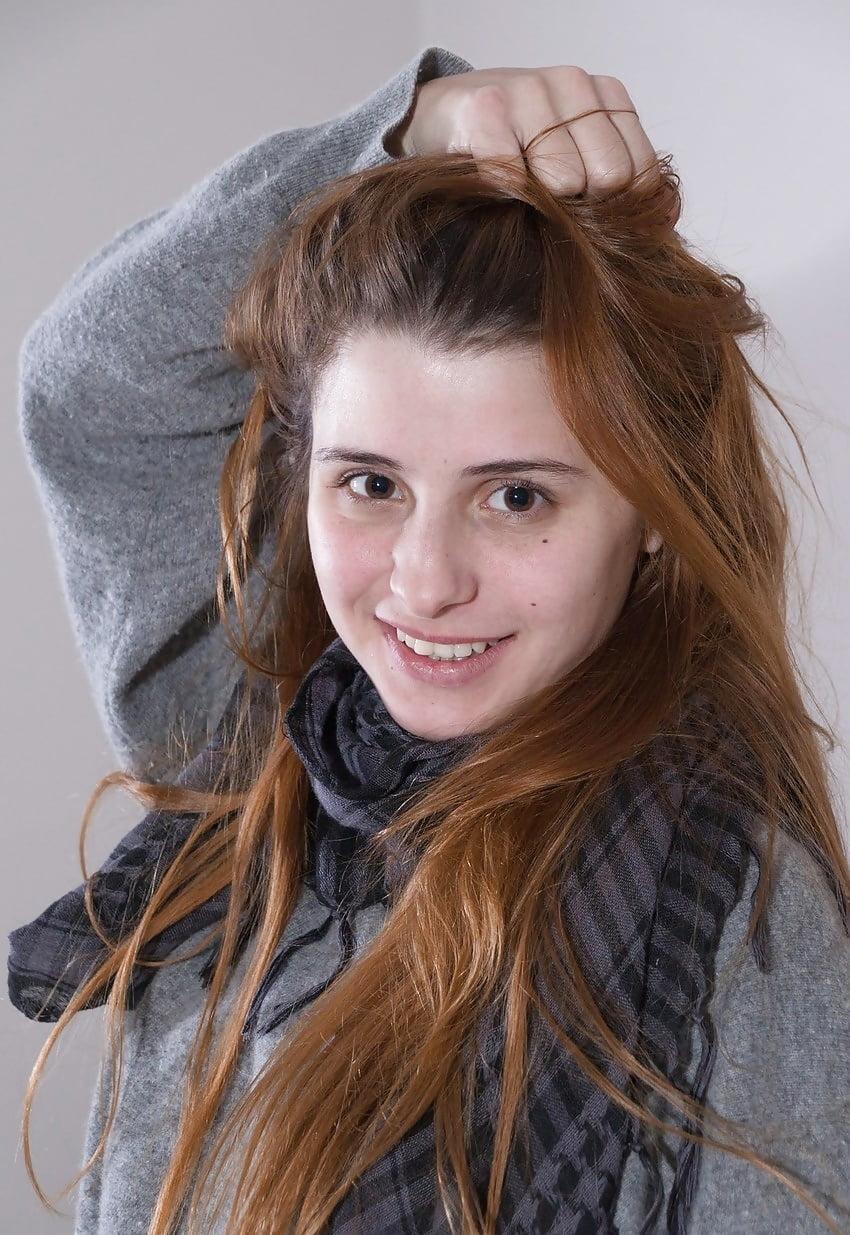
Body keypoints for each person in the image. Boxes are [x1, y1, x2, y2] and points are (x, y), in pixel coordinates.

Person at [7, 44, 850, 1235]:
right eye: (371, 483)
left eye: (515, 495)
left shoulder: (723, 912)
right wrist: (404, 131)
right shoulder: (265, 739)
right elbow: (94, 387)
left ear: (656, 512)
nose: (424, 583)